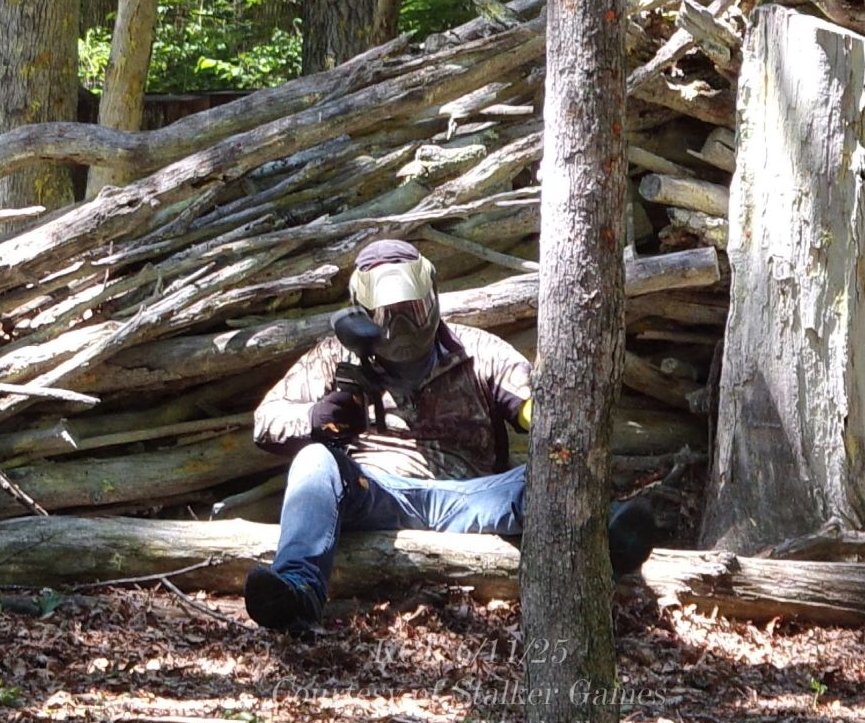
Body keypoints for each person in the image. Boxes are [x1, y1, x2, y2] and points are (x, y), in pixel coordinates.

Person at [245, 238, 655, 632]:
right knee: (314, 461)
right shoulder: (334, 359)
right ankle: (298, 592)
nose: (403, 327)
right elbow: (265, 423)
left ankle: (606, 534)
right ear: (362, 315)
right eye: (388, 315)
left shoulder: (478, 350)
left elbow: (537, 410)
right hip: (375, 494)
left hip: (471, 499)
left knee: (541, 474)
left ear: (433, 298)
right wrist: (317, 417)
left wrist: (534, 414)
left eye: (413, 310)